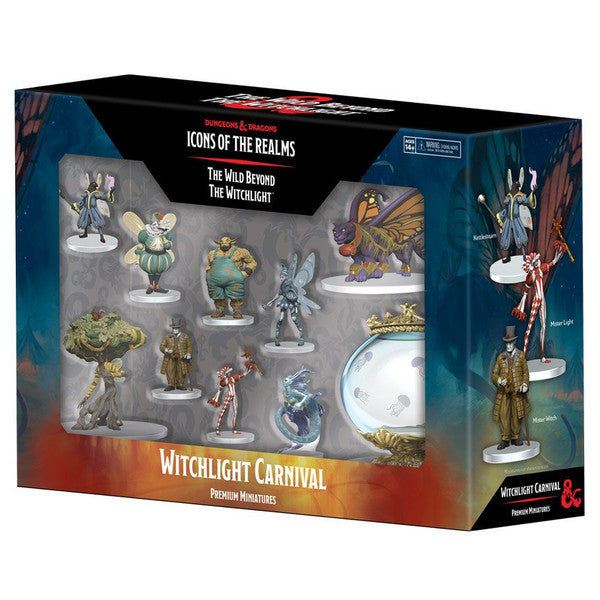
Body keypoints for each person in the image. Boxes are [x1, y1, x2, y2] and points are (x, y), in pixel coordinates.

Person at [491, 325, 530, 449]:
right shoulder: (500, 357)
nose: (508, 346)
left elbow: (525, 373)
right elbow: (494, 374)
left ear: (514, 342)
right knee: (503, 414)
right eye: (506, 343)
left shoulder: (521, 355)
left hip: (517, 391)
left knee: (517, 414)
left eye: (510, 343)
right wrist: (498, 380)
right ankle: (505, 439)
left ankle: (515, 437)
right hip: (504, 392)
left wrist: (524, 384)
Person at [206, 236, 257, 318]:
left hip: (234, 279)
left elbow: (251, 262)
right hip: (215, 280)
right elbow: (209, 265)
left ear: (231, 242)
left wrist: (246, 272)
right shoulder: (212, 253)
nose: (224, 244)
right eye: (222, 243)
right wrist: (209, 273)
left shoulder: (240, 251)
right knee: (217, 296)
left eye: (226, 242)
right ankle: (219, 310)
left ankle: (237, 311)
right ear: (219, 243)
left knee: (236, 295)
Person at [159, 318, 192, 391]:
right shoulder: (167, 337)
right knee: (170, 370)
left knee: (181, 370)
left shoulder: (185, 336)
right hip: (170, 357)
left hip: (181, 357)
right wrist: (166, 350)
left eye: (176, 328)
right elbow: (162, 346)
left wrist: (188, 353)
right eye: (174, 328)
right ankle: (170, 384)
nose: (175, 330)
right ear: (172, 328)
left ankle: (180, 384)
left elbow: (189, 346)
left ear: (179, 328)